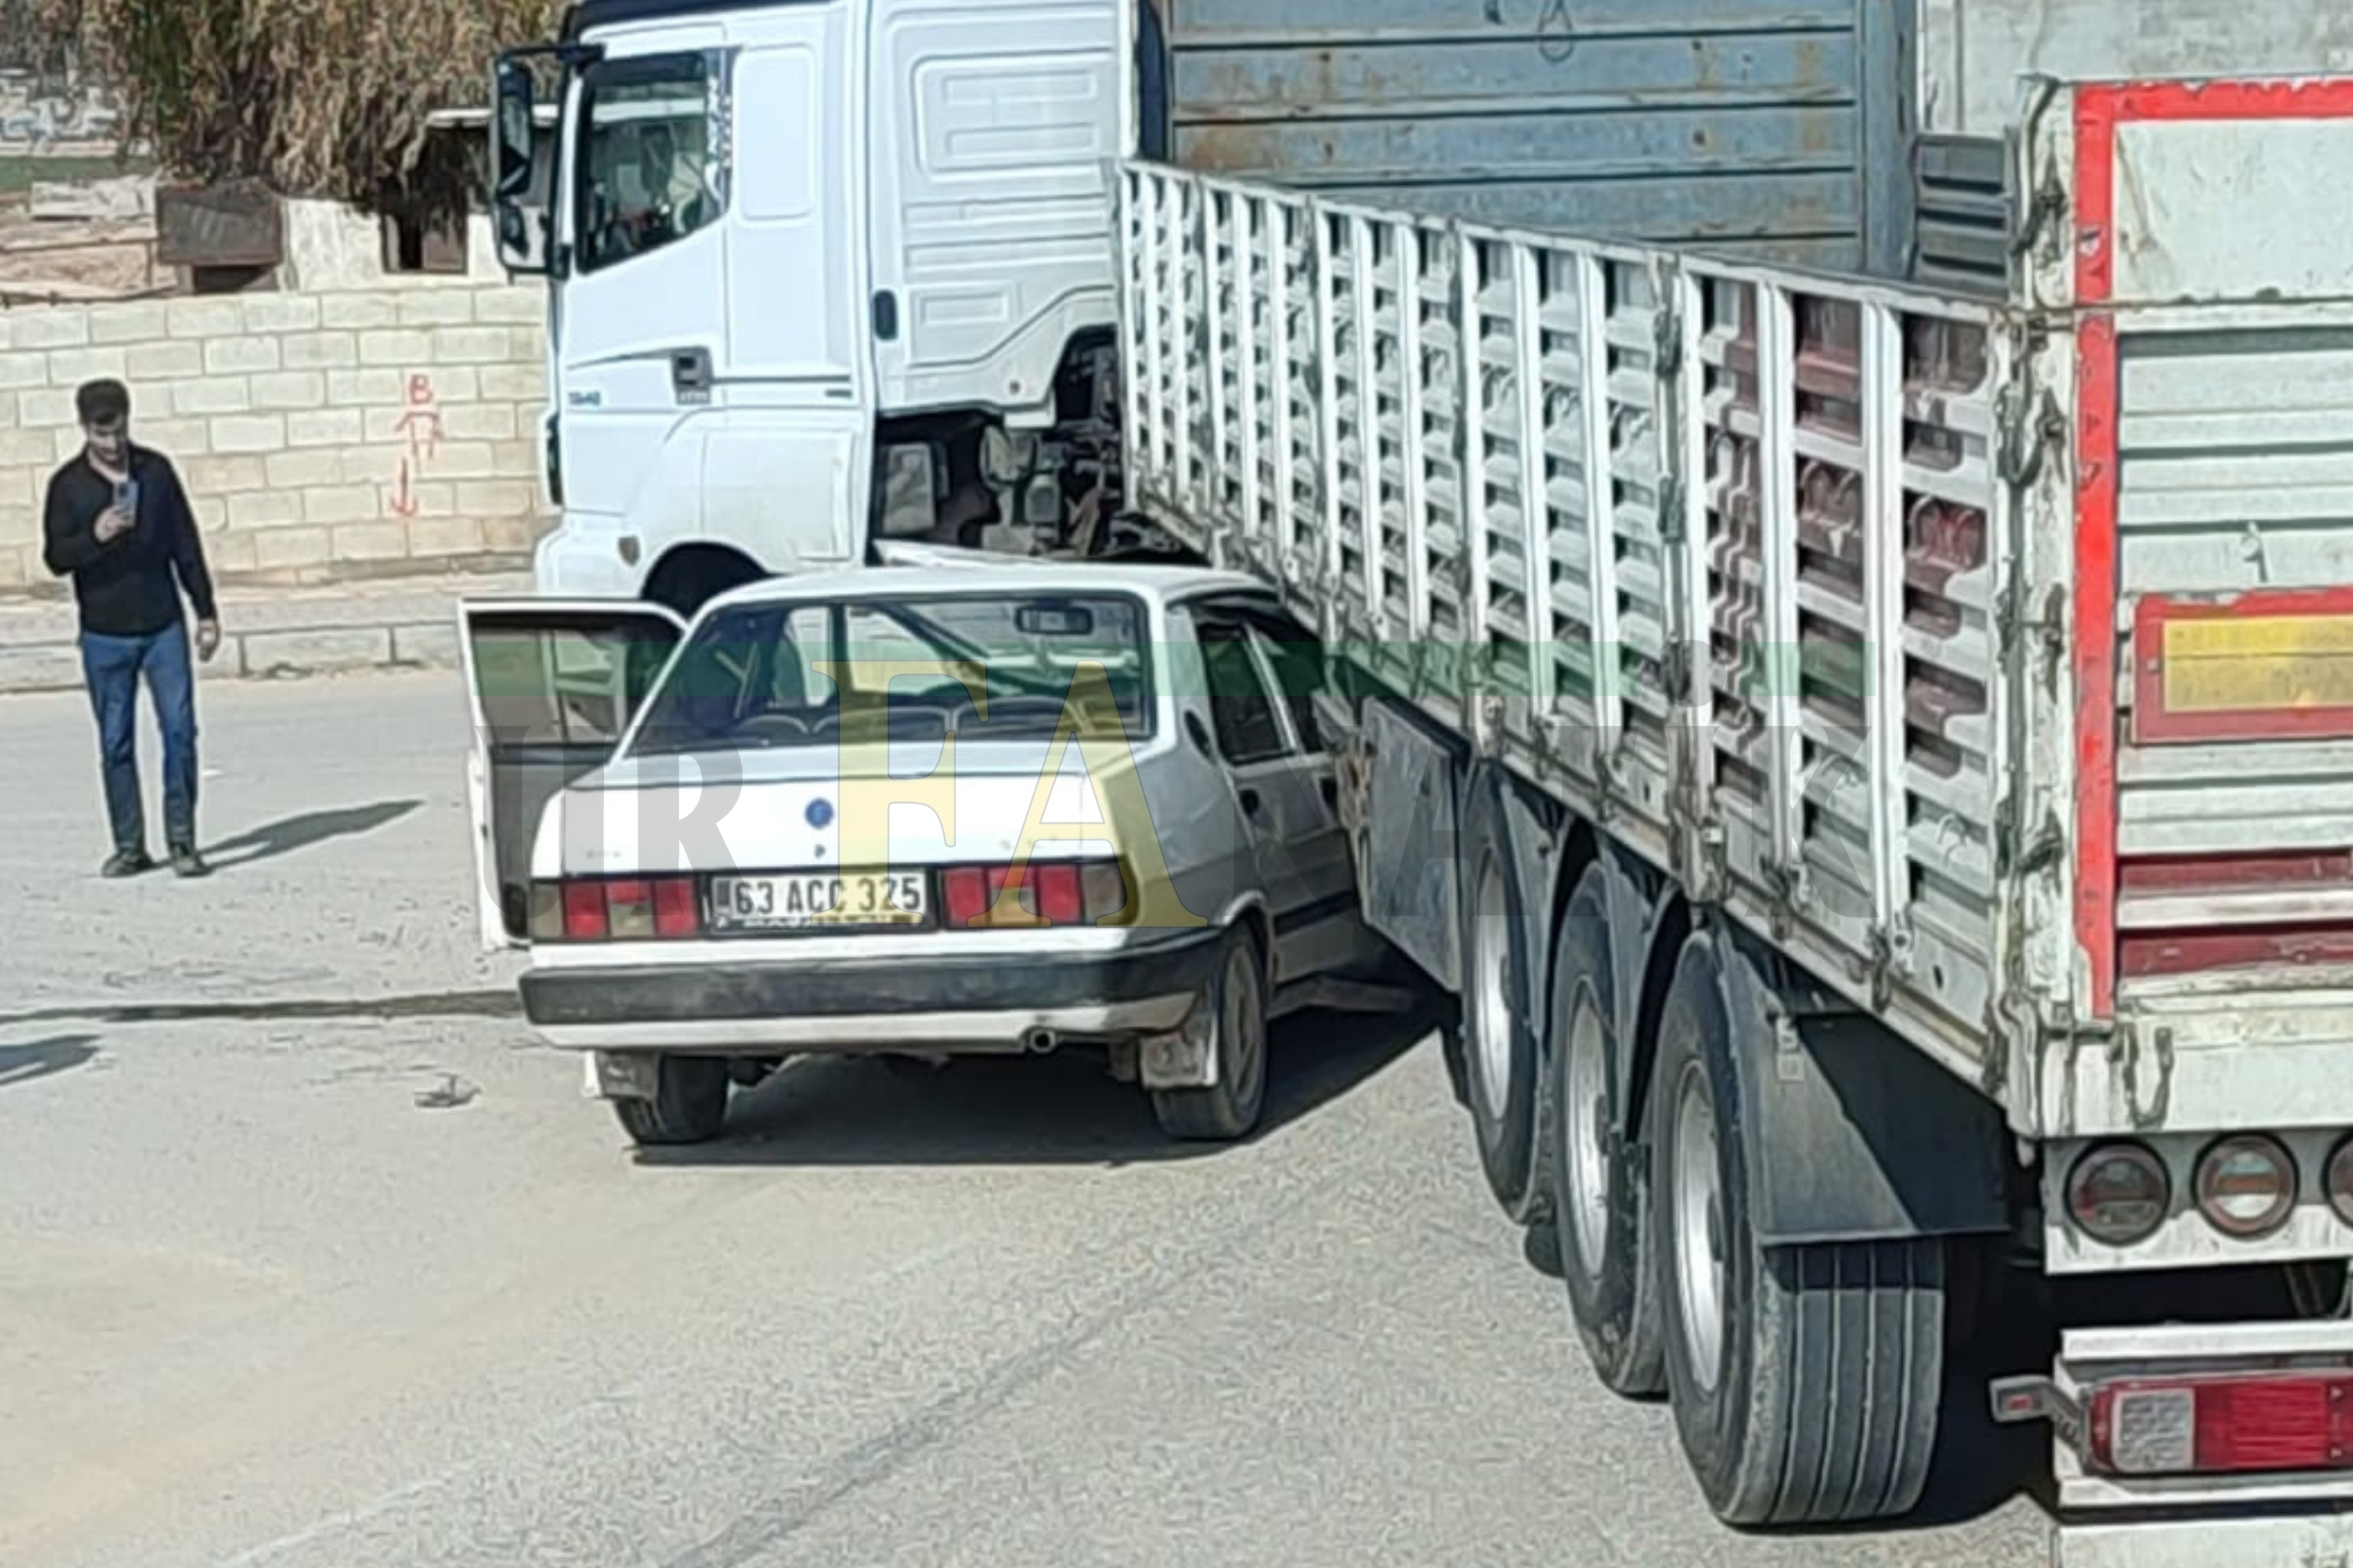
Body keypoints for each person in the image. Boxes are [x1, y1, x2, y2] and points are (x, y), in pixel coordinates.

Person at [42, 377, 222, 878]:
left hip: (163, 625)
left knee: (180, 732)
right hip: (104, 634)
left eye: (119, 432)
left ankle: (182, 840)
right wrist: (94, 536)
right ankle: (129, 846)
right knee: (116, 742)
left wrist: (205, 612)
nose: (113, 445)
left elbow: (185, 543)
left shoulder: (156, 472)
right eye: (102, 436)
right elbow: (56, 558)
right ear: (84, 430)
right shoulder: (68, 487)